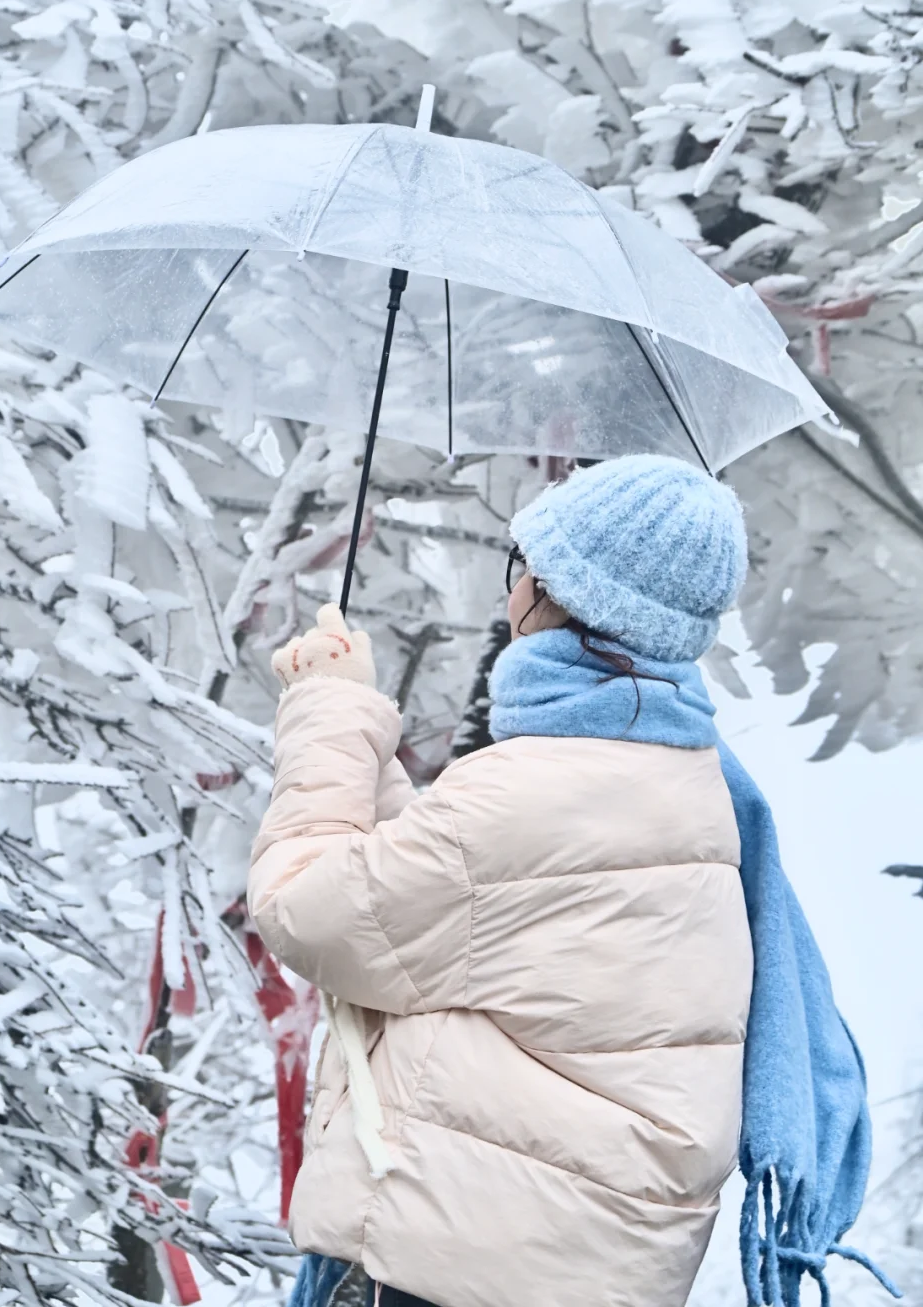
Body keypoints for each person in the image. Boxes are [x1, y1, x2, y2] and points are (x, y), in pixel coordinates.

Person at [247, 456, 891, 1307]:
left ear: (556, 593)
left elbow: (314, 910)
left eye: (521, 567)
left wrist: (328, 713)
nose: (509, 593)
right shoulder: (680, 774)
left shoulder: (538, 789)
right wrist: (364, 741)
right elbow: (448, 903)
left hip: (449, 1270)